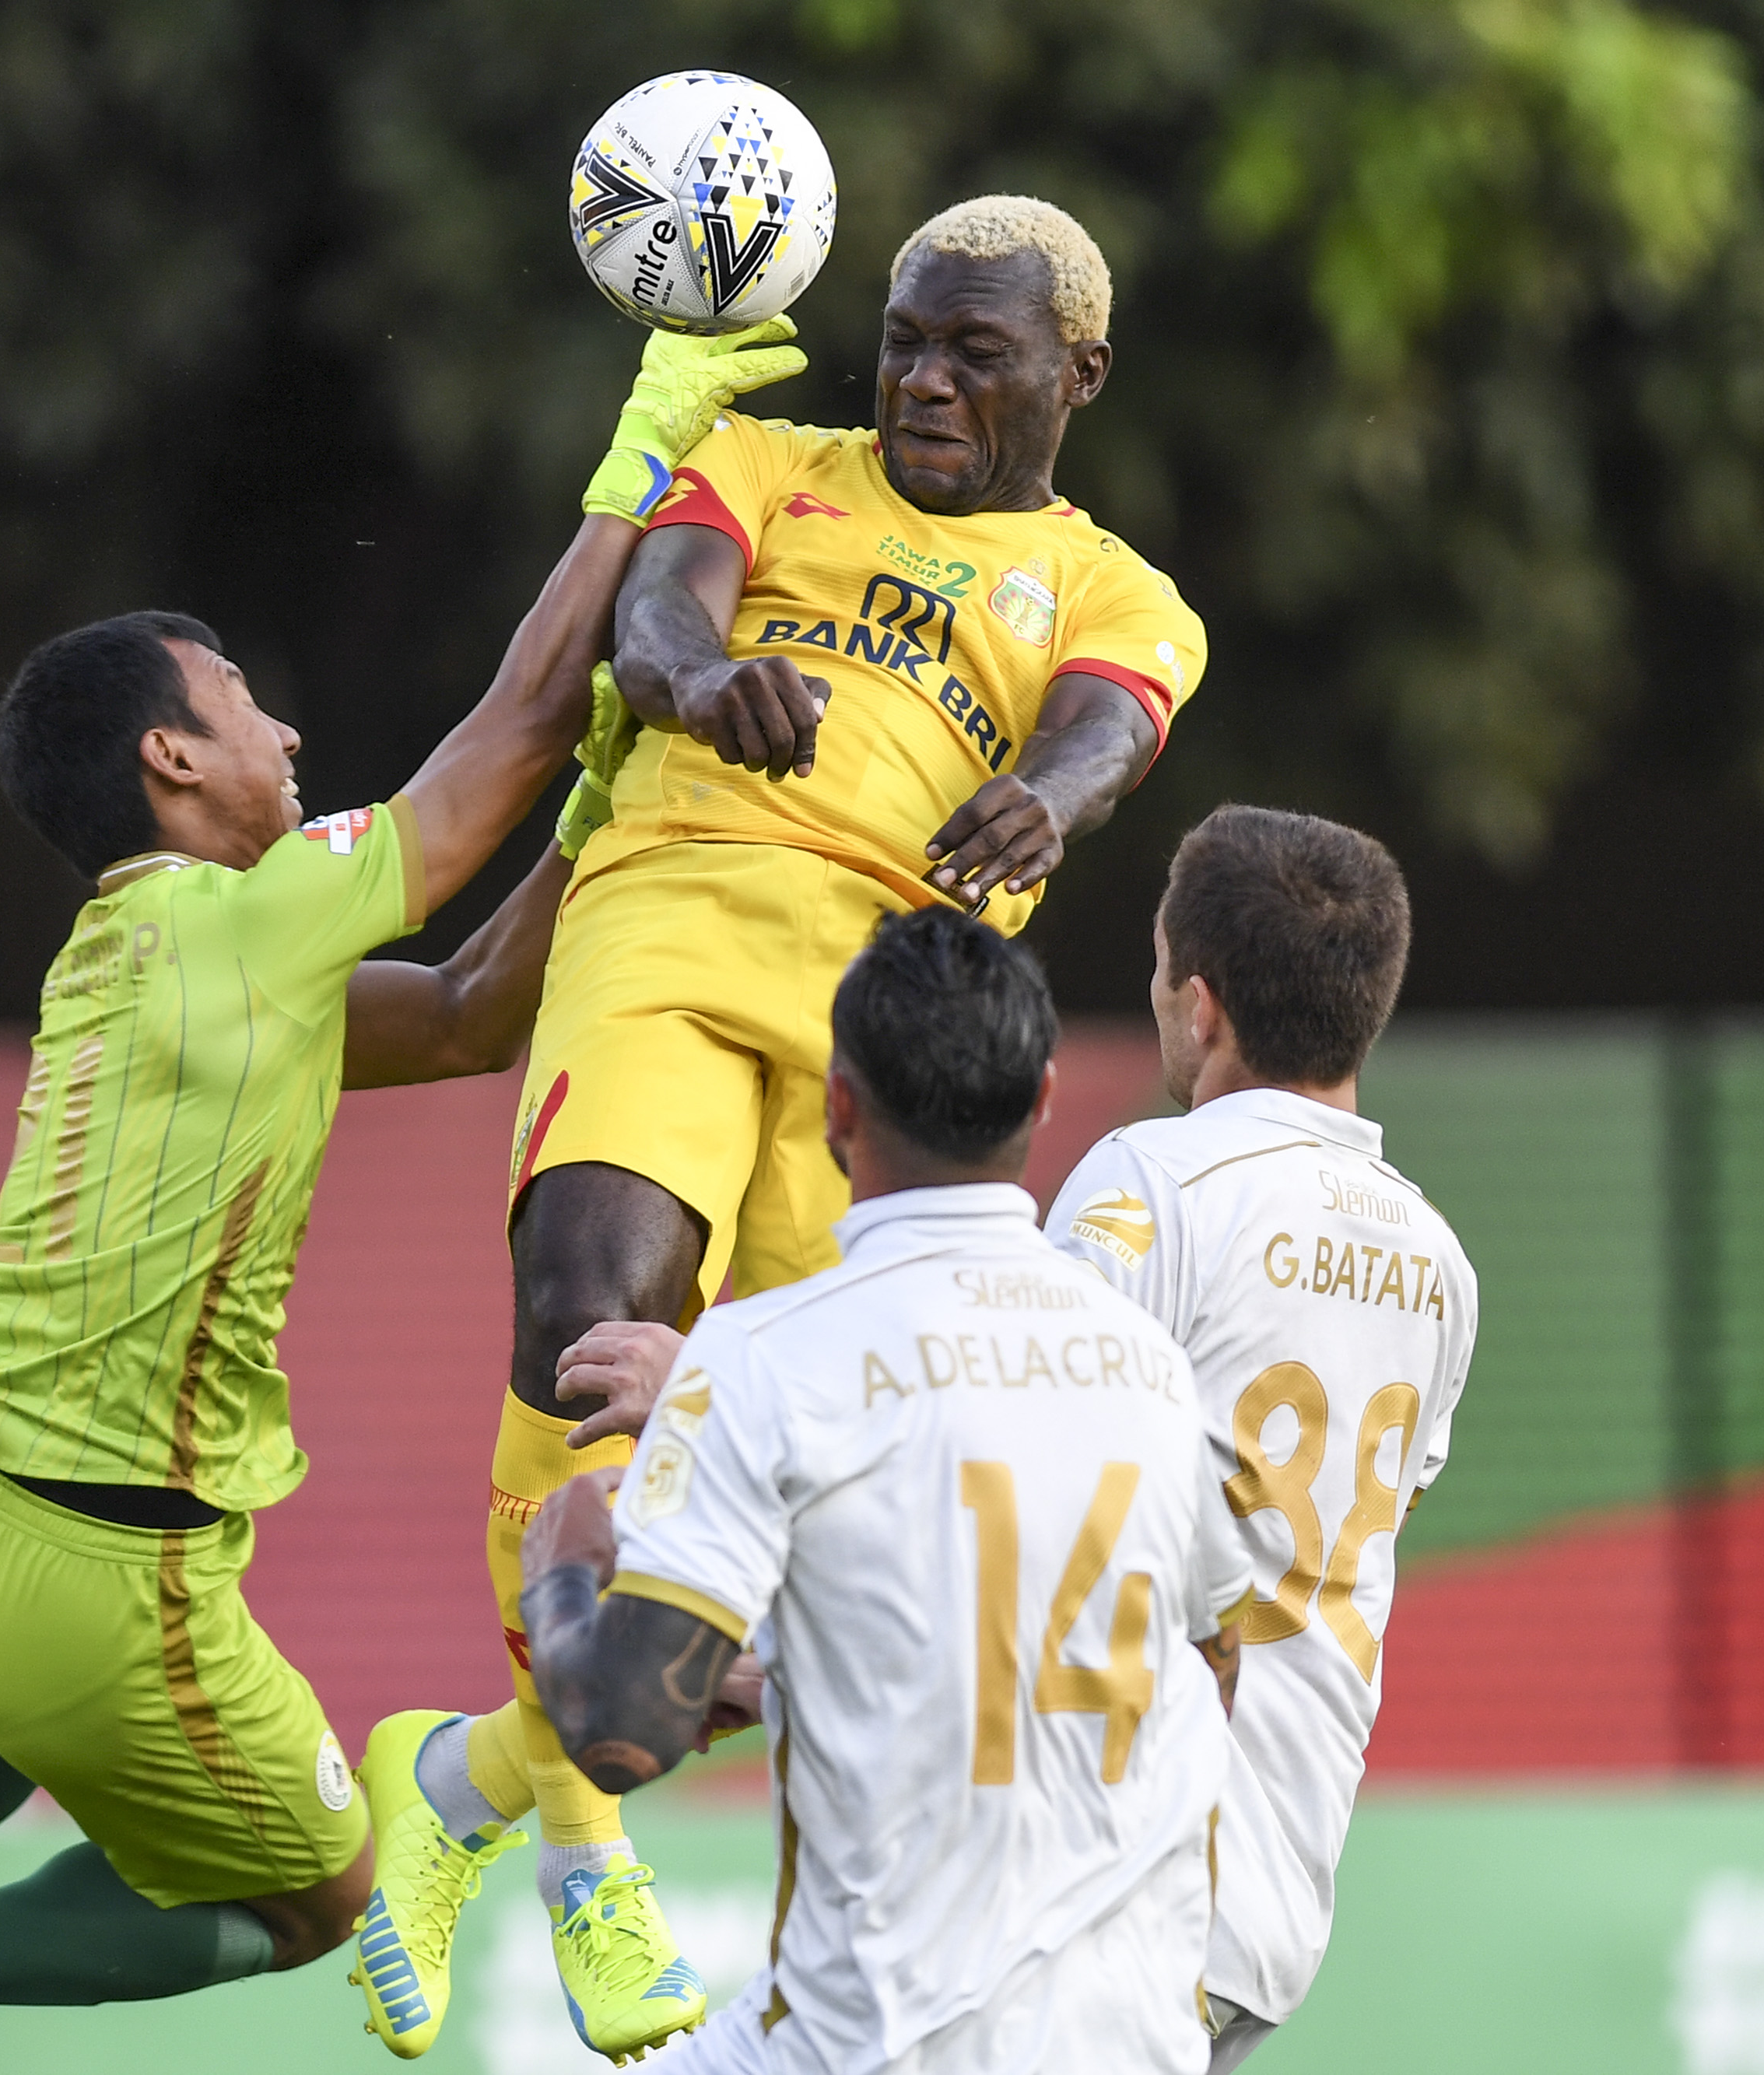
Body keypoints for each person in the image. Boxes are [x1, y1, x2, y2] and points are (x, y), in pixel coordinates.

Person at [0, 321, 809, 2035]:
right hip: (109, 1578)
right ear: (171, 761)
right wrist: (638, 456)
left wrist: (598, 818)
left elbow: (475, 1011)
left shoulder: (136, 954)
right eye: (244, 700)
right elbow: (519, 716)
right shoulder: (253, 912)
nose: (286, 722)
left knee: (6, 1682)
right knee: (307, 1898)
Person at [367, 189, 1219, 2064]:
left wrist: (1048, 805)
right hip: (669, 906)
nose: (917, 377)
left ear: (1071, 376)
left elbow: (1104, 725)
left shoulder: (1119, 590)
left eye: (968, 354)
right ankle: (583, 1842)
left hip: (886, 1025)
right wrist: (690, 676)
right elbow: (656, 616)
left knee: (826, 1541)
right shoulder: (762, 455)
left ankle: (467, 1776)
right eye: (902, 338)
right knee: (582, 1298)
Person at [515, 907, 1247, 2073]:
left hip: (878, 2040)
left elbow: (619, 1731)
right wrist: (816, 1679)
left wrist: (560, 1561)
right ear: (1044, 1096)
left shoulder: (757, 1357)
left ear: (837, 1107)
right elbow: (1208, 1661)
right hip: (1134, 2040)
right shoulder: (1153, 1368)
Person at [1044, 806, 1478, 2068]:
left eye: (1158, 967)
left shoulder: (1151, 1182)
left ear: (1204, 1002)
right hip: (1271, 1894)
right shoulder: (1439, 1262)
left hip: (1113, 1879)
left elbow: (1022, 1456)